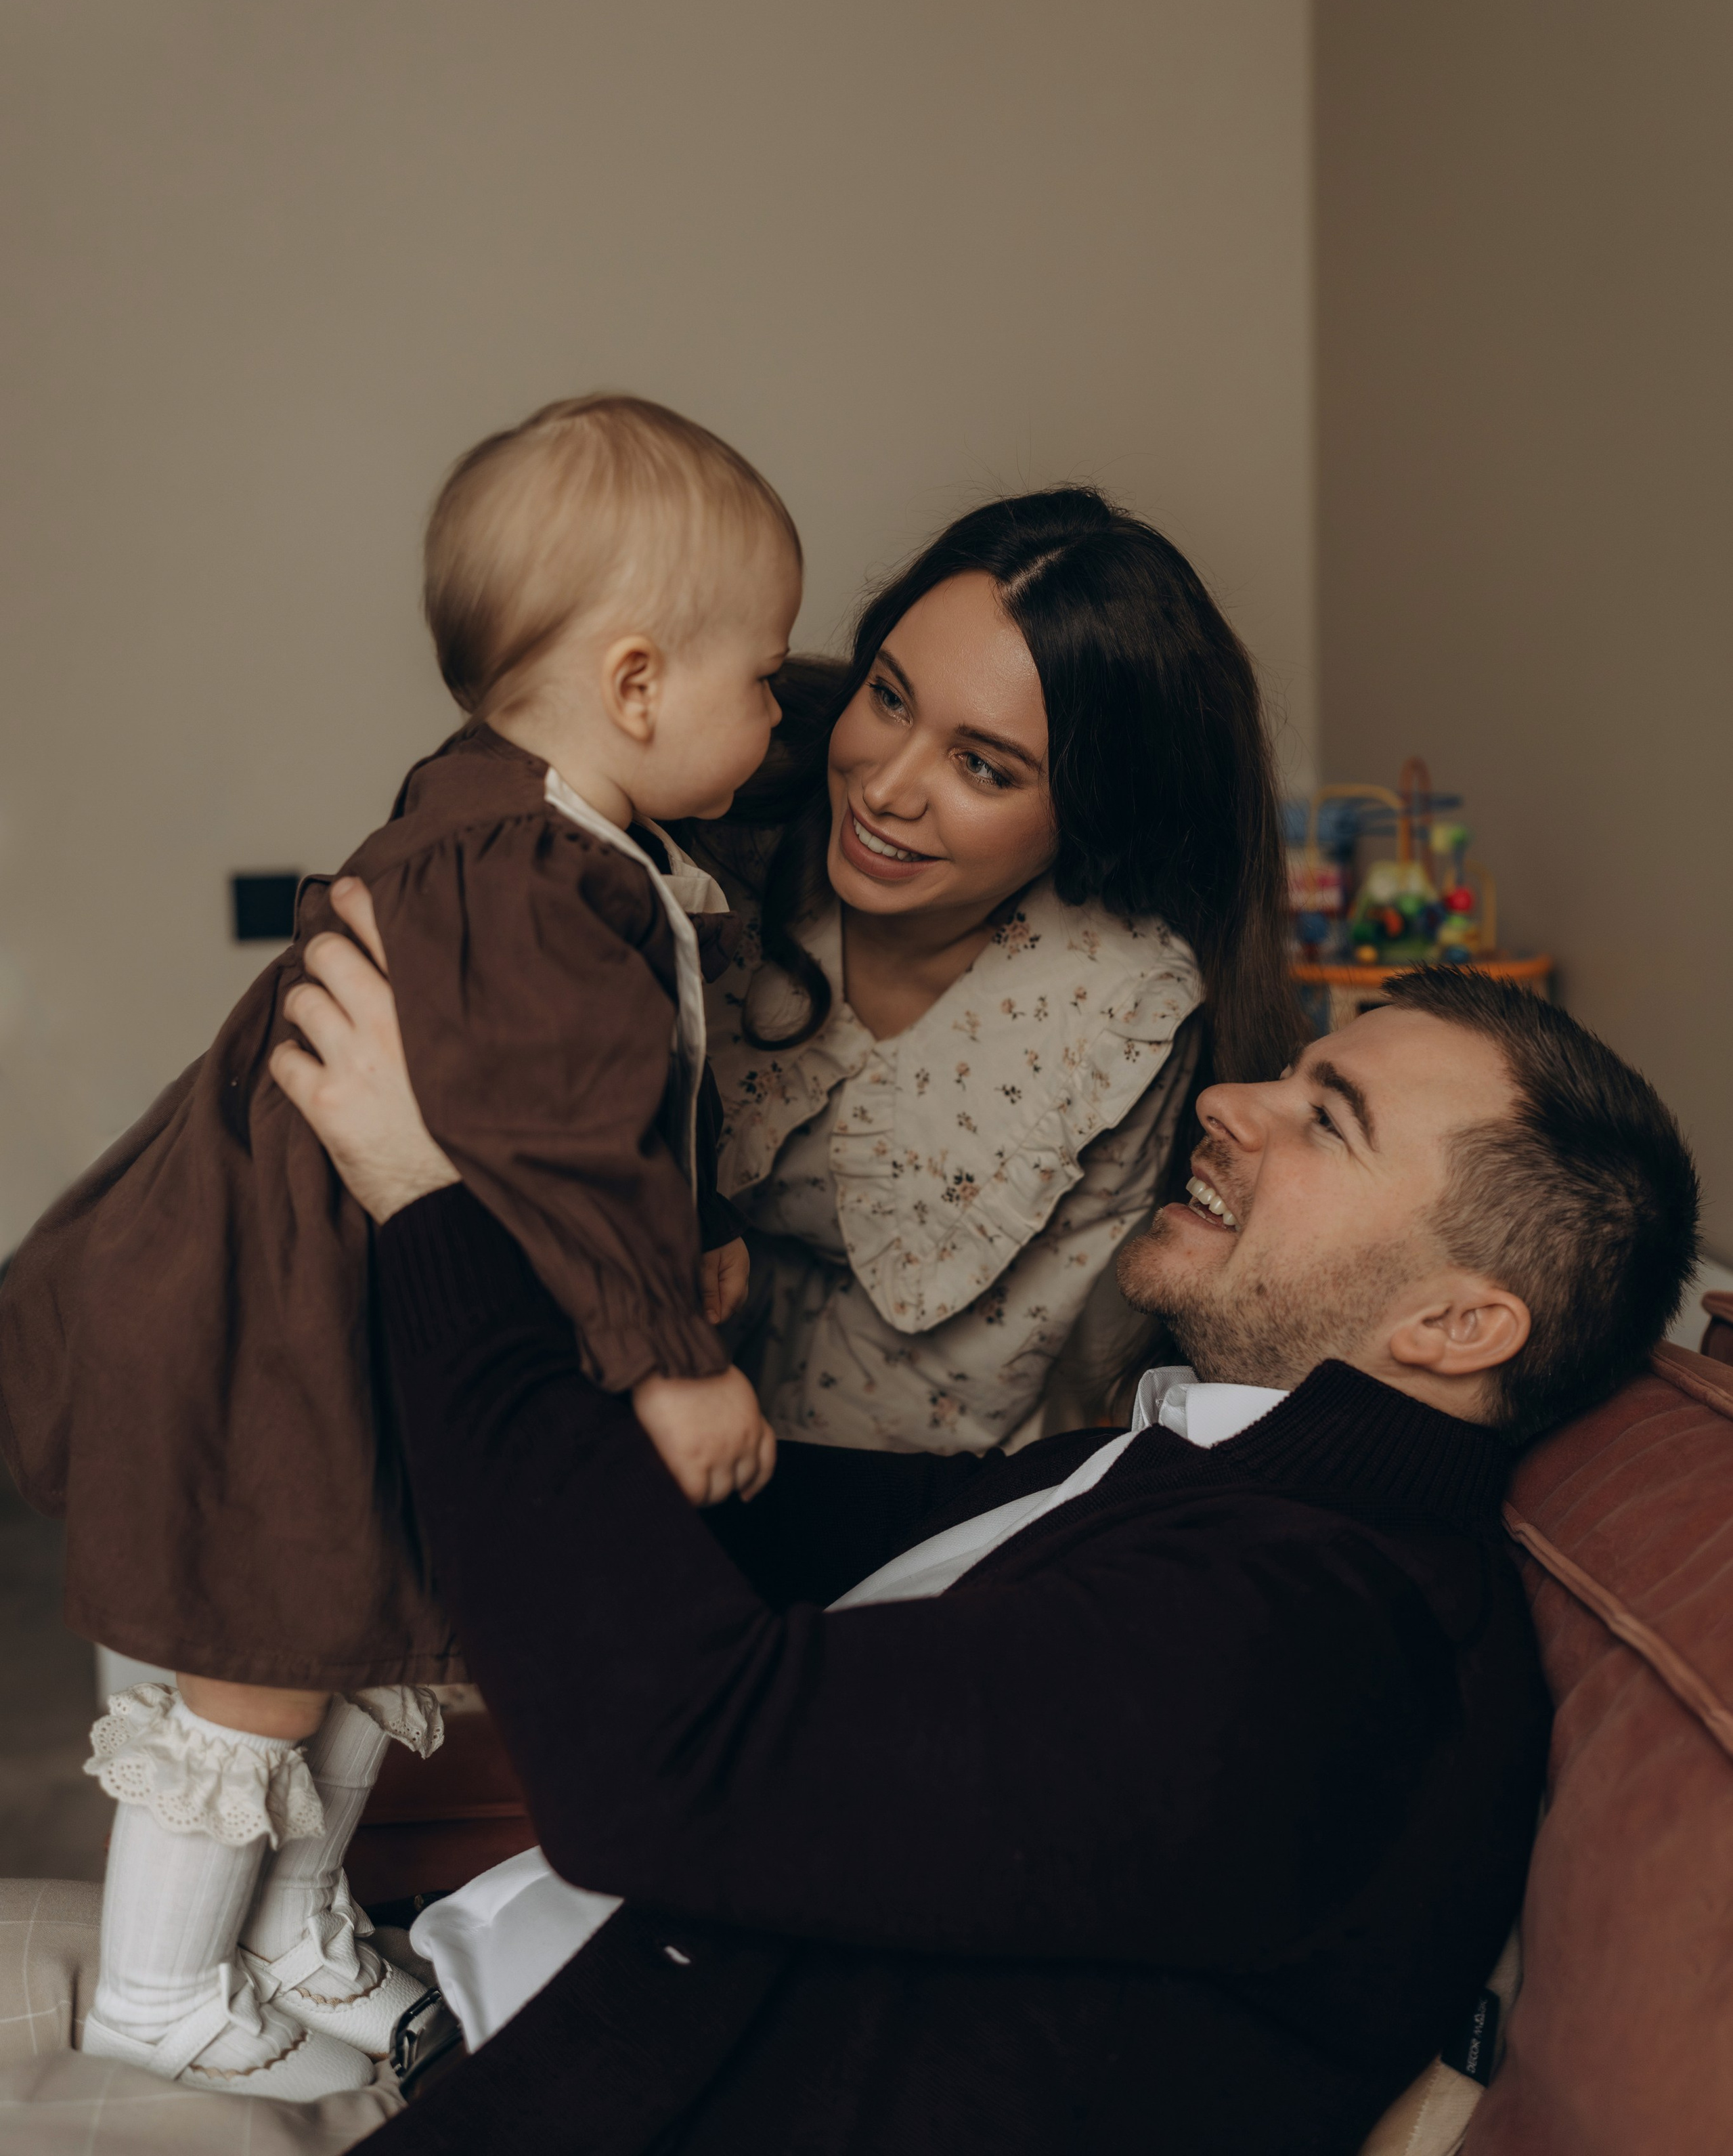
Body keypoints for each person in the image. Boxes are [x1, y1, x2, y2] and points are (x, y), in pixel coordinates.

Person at [271, 890, 1700, 2155]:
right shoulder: (1205, 1480)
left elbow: (675, 1765)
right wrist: (609, 1300)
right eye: (1288, 1071)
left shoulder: (1316, 1640)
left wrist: (433, 1206)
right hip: (489, 2034)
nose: (1229, 1101)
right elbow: (752, 1517)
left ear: (1456, 1323)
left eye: (1324, 1119)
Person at [0, 395, 796, 2100]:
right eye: (769, 680)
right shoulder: (528, 874)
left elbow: (594, 1122)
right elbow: (558, 1134)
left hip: (332, 1307)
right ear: (639, 685)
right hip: (261, 1316)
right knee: (266, 1646)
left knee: (371, 1630)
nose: (777, 720)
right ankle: (153, 1986)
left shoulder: (529, 825)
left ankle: (287, 1934)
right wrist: (671, 1358)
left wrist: (690, 1243)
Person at [689, 486, 1306, 1454]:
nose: (886, 789)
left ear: (1092, 813)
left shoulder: (1115, 1013)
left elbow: (961, 1395)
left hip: (891, 1482)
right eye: (889, 698)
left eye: (985, 768)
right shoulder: (710, 825)